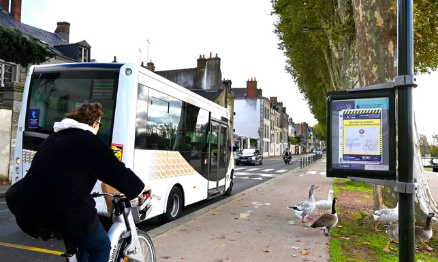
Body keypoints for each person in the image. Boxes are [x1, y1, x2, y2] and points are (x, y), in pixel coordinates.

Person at [13, 102, 145, 262]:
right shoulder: (88, 140)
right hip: (64, 211)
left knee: (83, 242)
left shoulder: (55, 137)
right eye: (100, 124)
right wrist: (141, 188)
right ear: (95, 123)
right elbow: (115, 170)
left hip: (29, 208)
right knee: (101, 246)